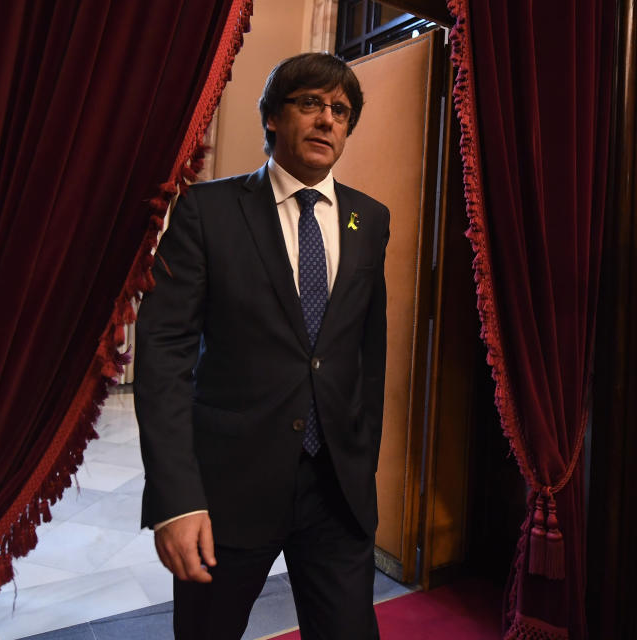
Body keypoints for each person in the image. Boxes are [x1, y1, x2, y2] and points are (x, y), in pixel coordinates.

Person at [133, 52, 389, 640]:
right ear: (272, 117)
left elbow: (364, 356)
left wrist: (363, 458)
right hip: (229, 492)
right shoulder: (209, 211)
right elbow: (164, 356)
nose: (327, 119)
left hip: (335, 493)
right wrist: (177, 498)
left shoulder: (369, 220)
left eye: (340, 111)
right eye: (310, 104)